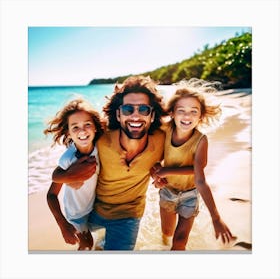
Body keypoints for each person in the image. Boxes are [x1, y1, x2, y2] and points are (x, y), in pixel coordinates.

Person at [52, 75, 166, 250]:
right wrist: (69, 175)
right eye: (128, 109)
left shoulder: (162, 139)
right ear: (118, 114)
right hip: (92, 211)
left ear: (152, 115)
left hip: (128, 215)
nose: (135, 116)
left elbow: (187, 140)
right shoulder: (100, 139)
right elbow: (59, 174)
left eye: (143, 109)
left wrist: (163, 174)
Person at [150, 78, 236, 250]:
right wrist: (157, 174)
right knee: (167, 233)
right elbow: (154, 161)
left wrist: (216, 218)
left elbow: (199, 176)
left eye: (193, 111)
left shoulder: (201, 141)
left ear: (201, 116)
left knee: (180, 241)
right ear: (172, 113)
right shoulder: (164, 131)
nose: (187, 116)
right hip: (168, 191)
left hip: (190, 194)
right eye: (181, 110)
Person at [44, 97, 104, 250]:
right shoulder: (68, 159)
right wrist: (63, 225)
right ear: (68, 133)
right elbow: (51, 195)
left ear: (96, 127)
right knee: (86, 245)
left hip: (96, 206)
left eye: (87, 124)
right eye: (75, 127)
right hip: (77, 214)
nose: (82, 131)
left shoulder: (102, 148)